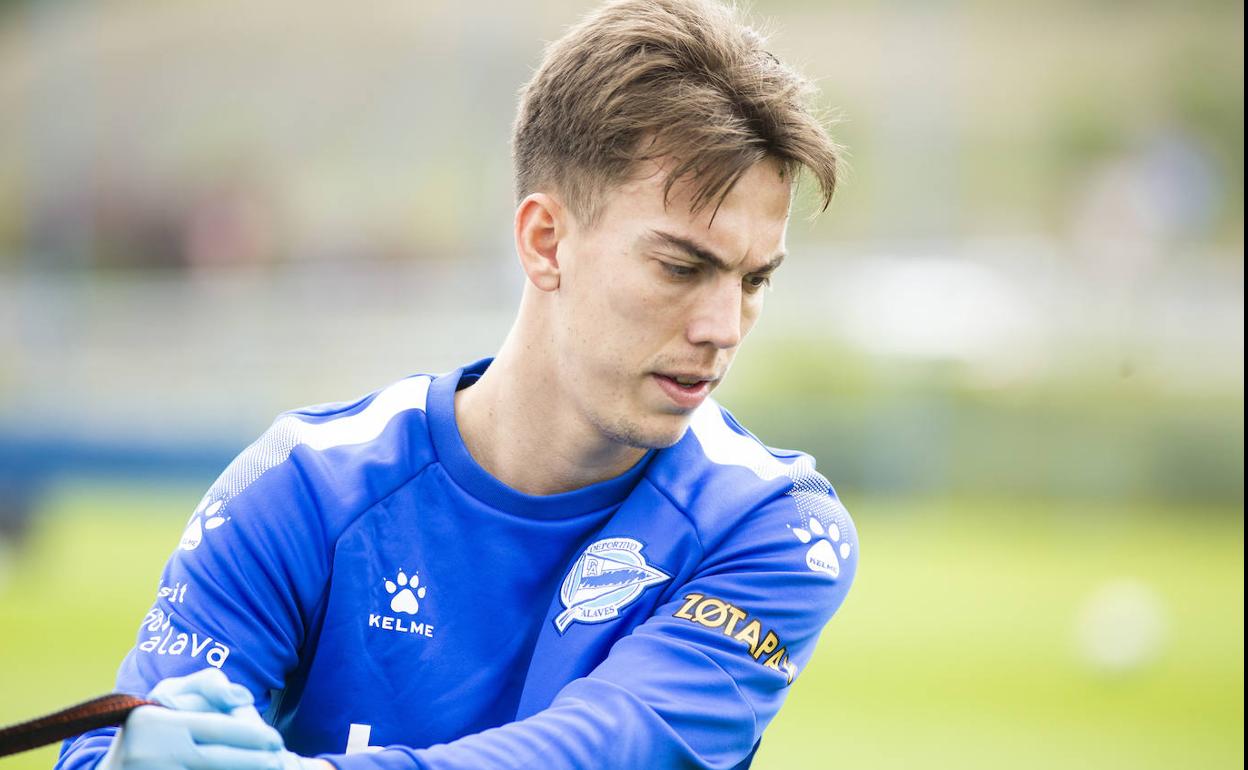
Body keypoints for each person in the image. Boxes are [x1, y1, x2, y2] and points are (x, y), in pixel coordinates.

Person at [56, 0, 857, 768]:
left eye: (754, 280)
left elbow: (607, 750)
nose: (723, 325)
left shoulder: (775, 526)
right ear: (546, 241)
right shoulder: (302, 486)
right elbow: (114, 740)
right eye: (683, 266)